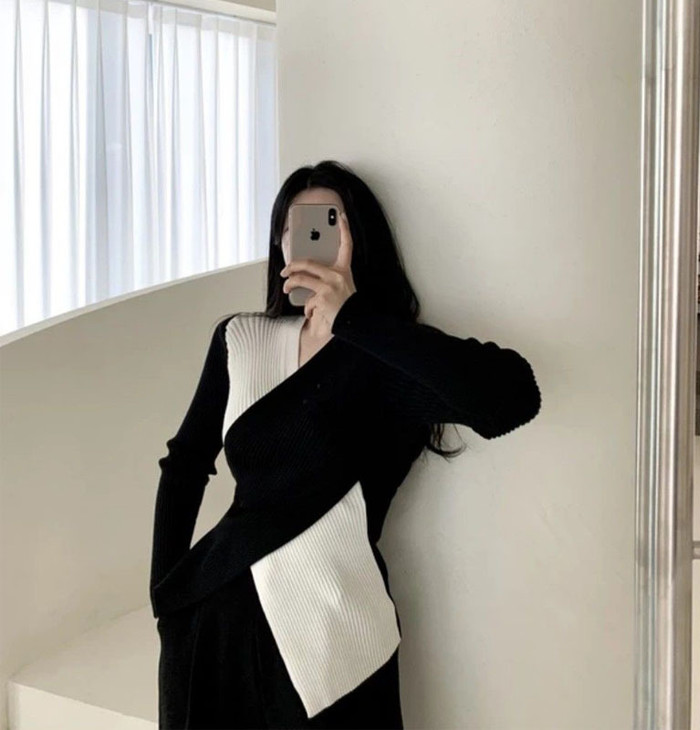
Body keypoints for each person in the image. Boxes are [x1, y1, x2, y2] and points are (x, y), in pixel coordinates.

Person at [150, 160, 542, 729]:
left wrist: (354, 317)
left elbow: (512, 399)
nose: (309, 239)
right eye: (295, 226)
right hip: (217, 625)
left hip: (336, 640)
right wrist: (164, 595)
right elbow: (184, 464)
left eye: (330, 224)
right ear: (279, 243)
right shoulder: (242, 338)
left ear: (359, 241)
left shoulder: (387, 354)